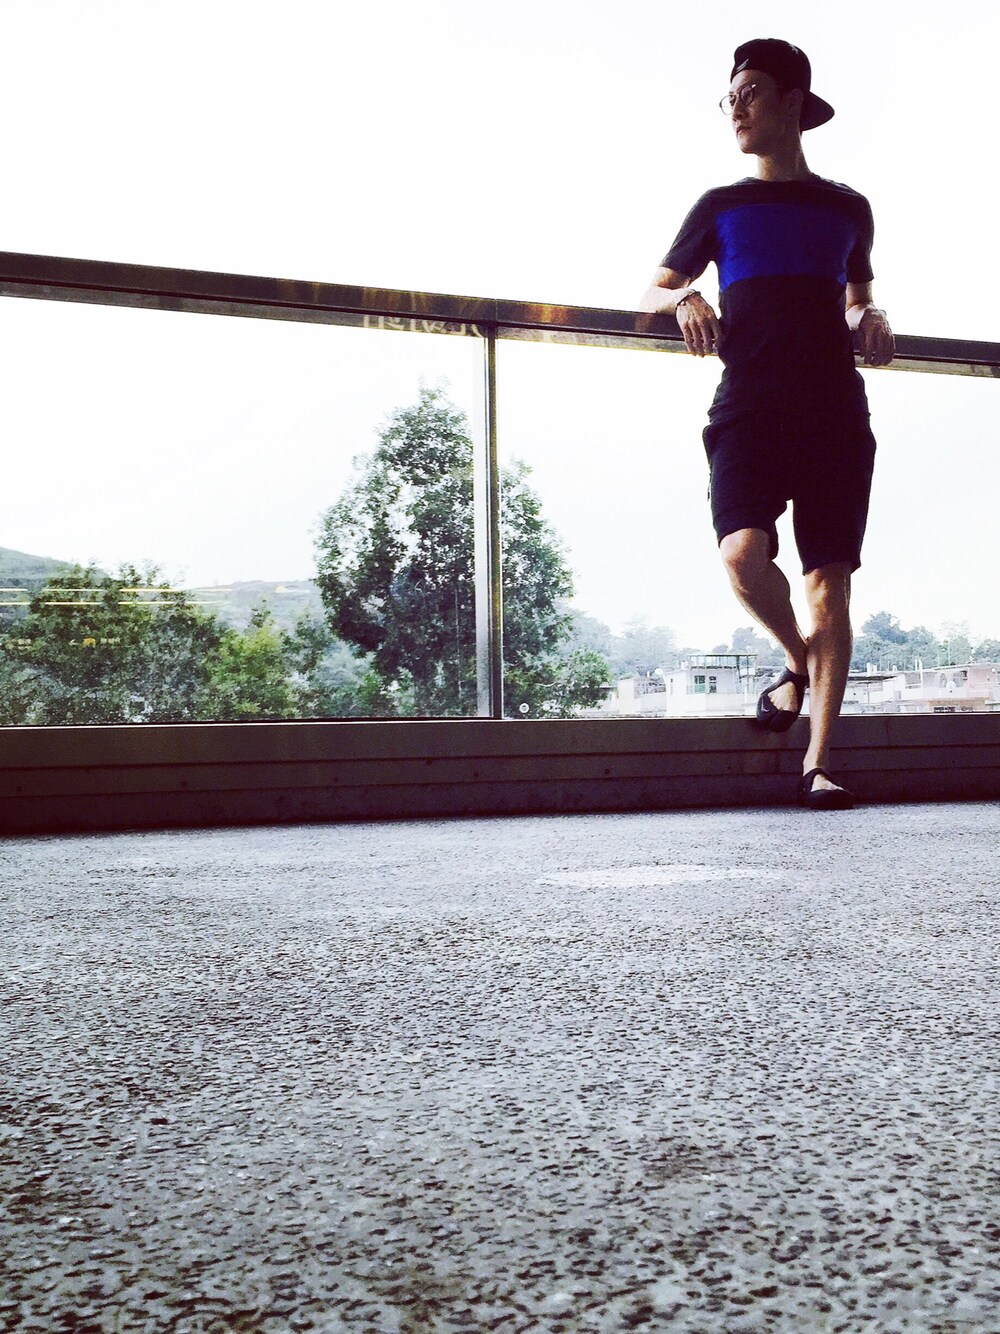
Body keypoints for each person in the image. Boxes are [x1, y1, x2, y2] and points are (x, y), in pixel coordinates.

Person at [639, 37, 894, 811]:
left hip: (834, 413)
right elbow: (651, 293)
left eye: (750, 92)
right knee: (742, 554)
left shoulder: (848, 208)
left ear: (793, 103)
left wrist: (872, 314)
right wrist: (685, 297)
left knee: (828, 584)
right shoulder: (720, 207)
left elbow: (856, 297)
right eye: (731, 97)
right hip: (747, 407)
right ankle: (795, 660)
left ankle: (818, 763)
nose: (736, 108)